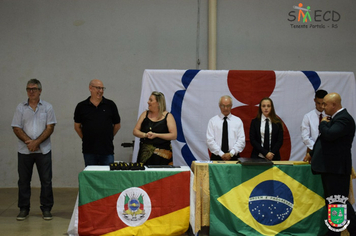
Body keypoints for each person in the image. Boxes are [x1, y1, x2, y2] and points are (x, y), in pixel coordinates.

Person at [304, 93, 356, 235]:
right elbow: (325, 143)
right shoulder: (335, 118)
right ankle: (334, 231)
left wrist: (323, 125)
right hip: (331, 168)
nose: (322, 107)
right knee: (334, 202)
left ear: (334, 105)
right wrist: (312, 153)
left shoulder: (344, 119)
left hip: (336, 169)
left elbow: (329, 135)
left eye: (325, 104)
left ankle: (344, 230)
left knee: (338, 202)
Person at [11, 79, 57, 221]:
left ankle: (47, 208)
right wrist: (29, 143)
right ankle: (24, 208)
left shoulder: (47, 107)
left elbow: (50, 127)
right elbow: (16, 127)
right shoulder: (20, 108)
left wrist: (36, 142)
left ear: (40, 91)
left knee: (46, 181)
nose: (31, 91)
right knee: (24, 181)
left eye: (34, 89)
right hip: (25, 151)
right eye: (28, 89)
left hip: (43, 151)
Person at [74, 79, 121, 166]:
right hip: (89, 150)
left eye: (102, 89)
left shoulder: (110, 105)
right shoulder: (81, 106)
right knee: (91, 177)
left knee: (107, 177)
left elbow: (117, 125)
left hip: (107, 149)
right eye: (98, 88)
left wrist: (109, 136)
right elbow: (77, 126)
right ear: (90, 88)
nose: (101, 91)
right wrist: (85, 138)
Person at [133, 91, 177, 165]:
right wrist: (145, 135)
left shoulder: (168, 116)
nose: (148, 102)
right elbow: (135, 131)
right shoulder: (145, 114)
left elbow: (173, 135)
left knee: (163, 175)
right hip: (145, 154)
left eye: (151, 100)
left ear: (158, 103)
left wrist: (156, 135)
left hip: (162, 155)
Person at [206, 95, 245, 161]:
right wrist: (221, 154)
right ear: (219, 105)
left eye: (228, 106)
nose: (225, 108)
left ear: (231, 106)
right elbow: (210, 140)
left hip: (233, 157)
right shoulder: (212, 121)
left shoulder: (237, 121)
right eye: (223, 106)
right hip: (217, 156)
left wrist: (231, 153)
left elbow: (241, 140)